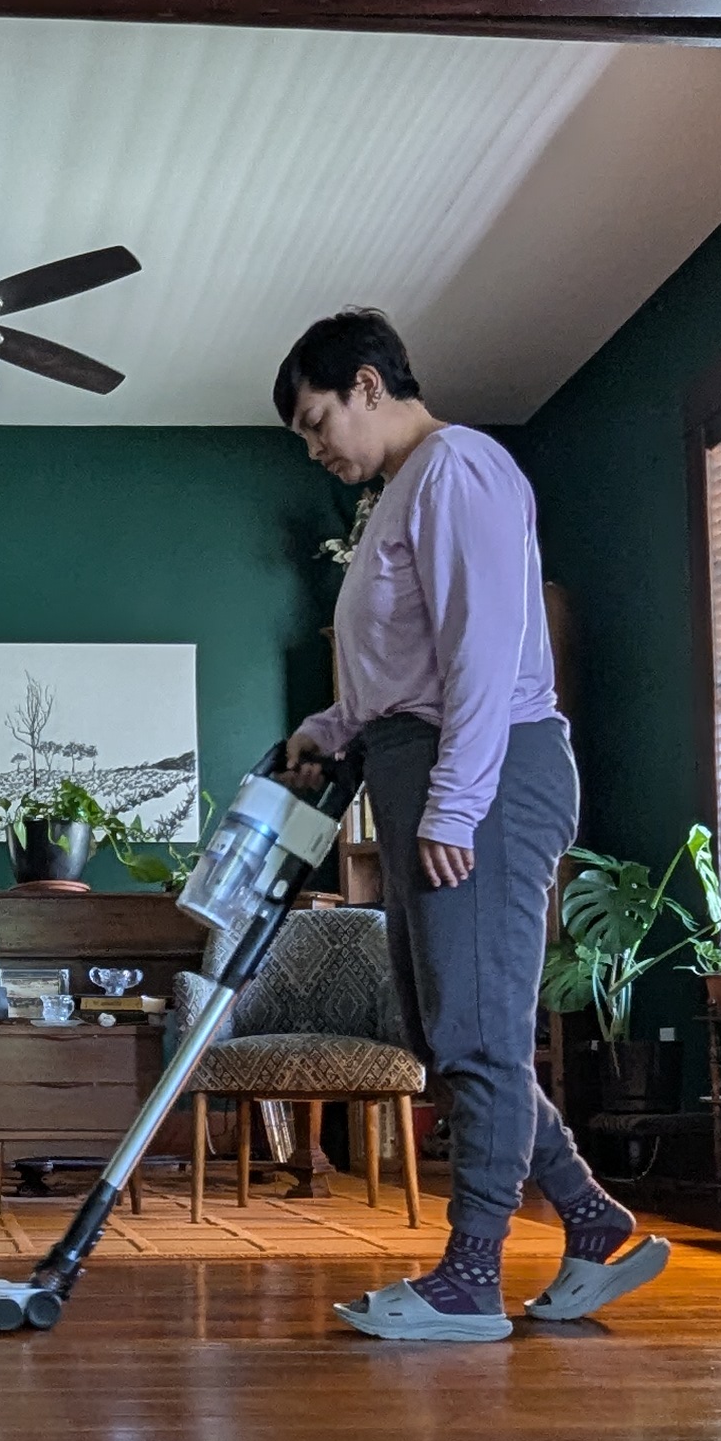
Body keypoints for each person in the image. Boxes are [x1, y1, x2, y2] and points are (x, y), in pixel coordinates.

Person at [273, 309, 669, 1342]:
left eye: (319, 422)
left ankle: (469, 1278)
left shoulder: (458, 467)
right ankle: (588, 1219)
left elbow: (485, 651)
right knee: (447, 1032)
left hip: (482, 777)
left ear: (367, 384)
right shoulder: (399, 499)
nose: (319, 449)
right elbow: (395, 676)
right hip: (418, 770)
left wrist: (456, 801)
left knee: (478, 1031)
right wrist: (324, 729)